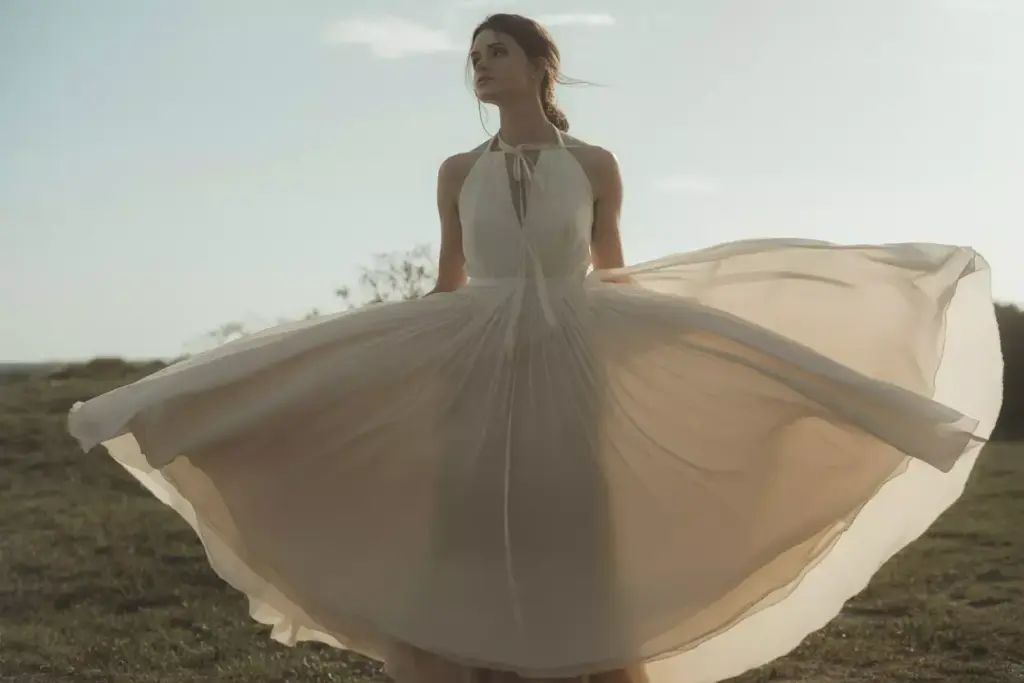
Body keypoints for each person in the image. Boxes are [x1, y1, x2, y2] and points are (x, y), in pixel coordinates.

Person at [68, 12, 1003, 683]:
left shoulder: (594, 165)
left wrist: (697, 344)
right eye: (472, 56)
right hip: (470, 362)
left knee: (573, 520)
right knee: (468, 520)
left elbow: (614, 273)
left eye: (497, 50)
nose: (480, 65)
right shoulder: (454, 171)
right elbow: (448, 281)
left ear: (538, 64)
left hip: (571, 359)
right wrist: (363, 356)